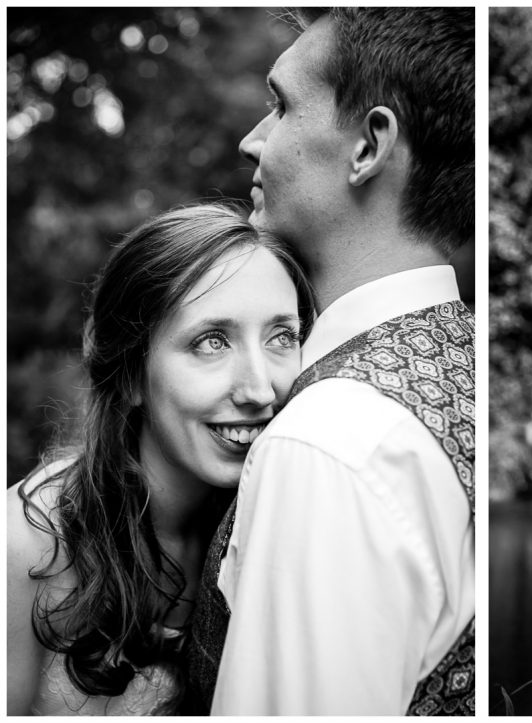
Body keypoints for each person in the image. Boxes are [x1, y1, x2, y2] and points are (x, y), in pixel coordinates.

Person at [182, 7, 476, 715]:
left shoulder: (330, 441)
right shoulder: (463, 360)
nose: (252, 140)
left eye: (280, 105)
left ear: (369, 146)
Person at [7, 204, 313, 715]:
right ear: (130, 374)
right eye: (211, 342)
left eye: (282, 337)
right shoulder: (26, 541)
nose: (261, 390)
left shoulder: (280, 525)